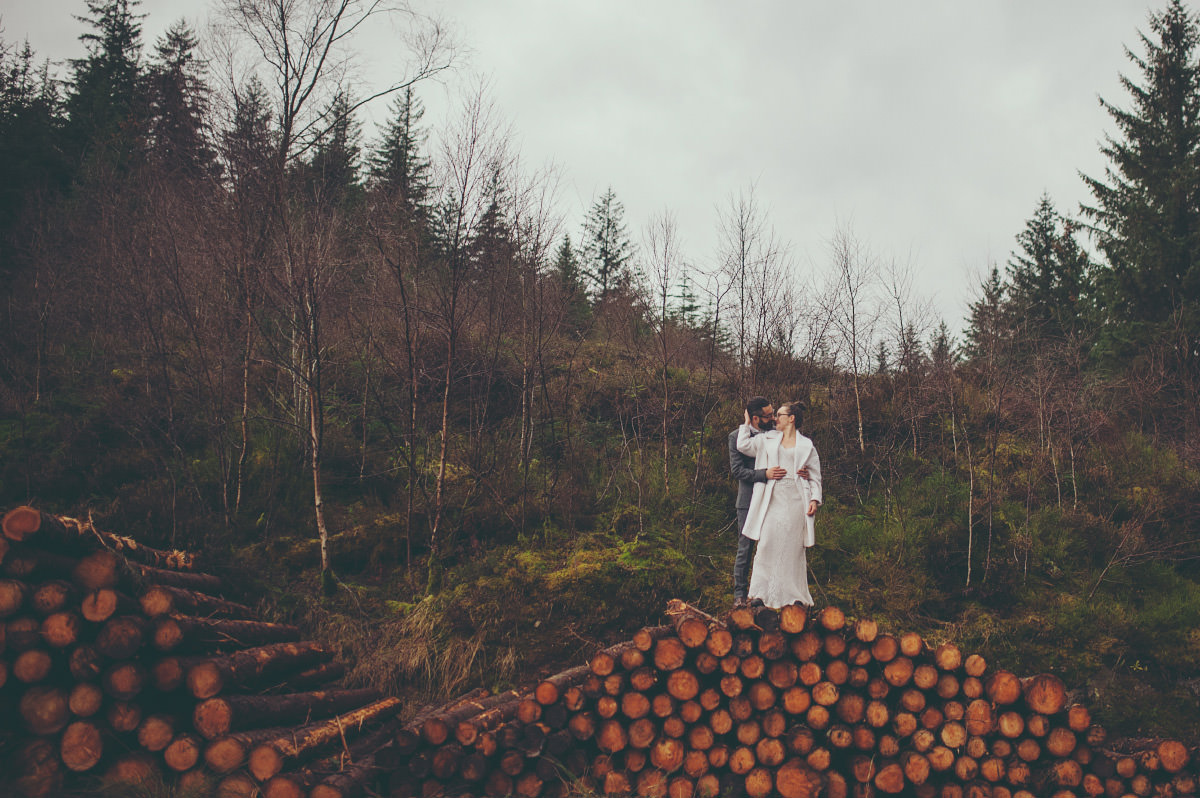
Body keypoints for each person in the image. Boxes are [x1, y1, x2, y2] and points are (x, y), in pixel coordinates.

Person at [735, 400, 822, 608]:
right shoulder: (768, 439)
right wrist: (746, 423)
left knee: (792, 549)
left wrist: (814, 499)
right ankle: (759, 594)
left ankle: (792, 597)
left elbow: (816, 477)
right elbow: (743, 445)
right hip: (772, 498)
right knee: (766, 544)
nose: (775, 419)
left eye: (780, 415)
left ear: (791, 419)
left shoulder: (807, 446)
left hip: (796, 500)